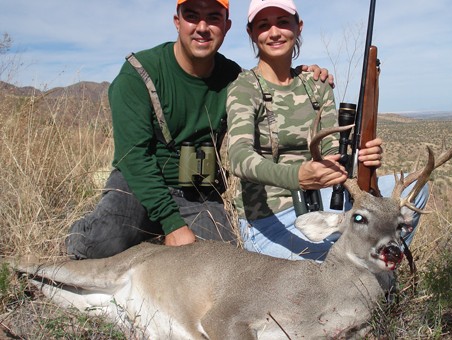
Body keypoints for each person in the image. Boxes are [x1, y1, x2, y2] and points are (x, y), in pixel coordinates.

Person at [66, 0, 332, 260]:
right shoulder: (138, 74)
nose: (202, 27)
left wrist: (304, 74)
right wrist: (172, 224)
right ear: (177, 21)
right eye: (192, 16)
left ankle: (153, 240)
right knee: (102, 243)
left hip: (197, 192)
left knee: (223, 260)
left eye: (213, 17)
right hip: (140, 185)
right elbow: (133, 159)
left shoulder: (233, 77)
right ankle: (86, 235)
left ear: (226, 26)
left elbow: (272, 83)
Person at [227, 0, 429, 261]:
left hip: (323, 204)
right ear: (251, 33)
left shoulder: (316, 85)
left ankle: (382, 271)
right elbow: (239, 158)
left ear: (298, 27)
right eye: (264, 25)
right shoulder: (245, 88)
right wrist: (296, 176)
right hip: (270, 219)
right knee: (331, 269)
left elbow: (333, 151)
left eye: (283, 22)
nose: (274, 32)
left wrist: (361, 158)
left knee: (416, 191)